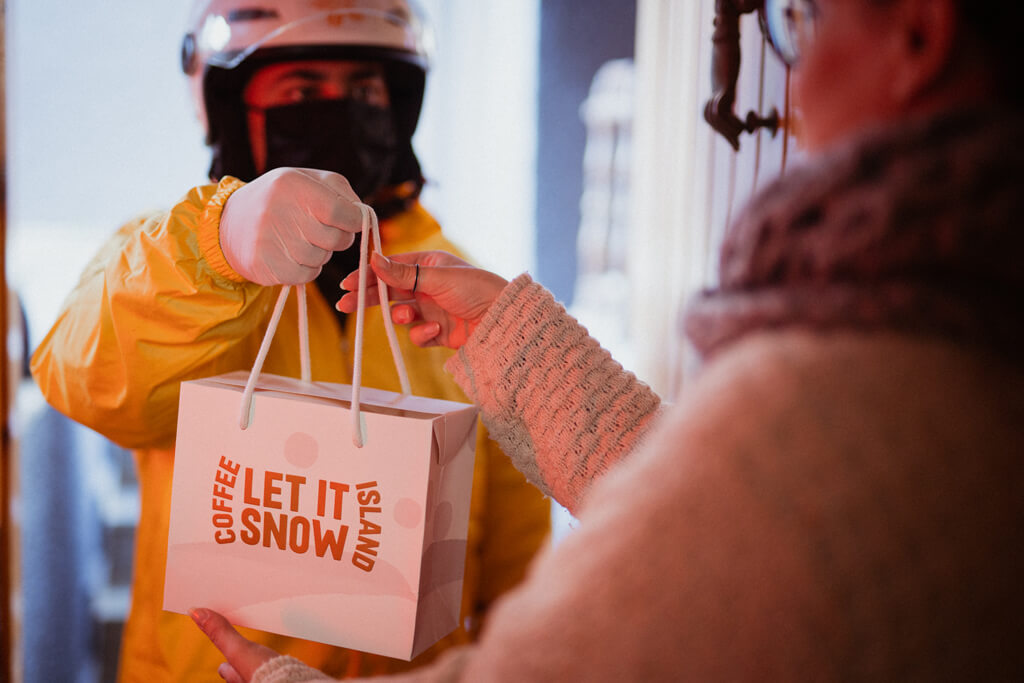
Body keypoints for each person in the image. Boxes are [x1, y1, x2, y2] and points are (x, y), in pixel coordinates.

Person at [192, 0, 1024, 680]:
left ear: (919, 33)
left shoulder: (828, 399)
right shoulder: (947, 347)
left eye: (804, 21)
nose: (794, 87)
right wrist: (216, 238)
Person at [29, 1, 550, 680]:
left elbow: (519, 550)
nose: (338, 109)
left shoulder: (455, 287)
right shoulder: (167, 260)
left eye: (364, 88)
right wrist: (219, 244)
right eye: (302, 90)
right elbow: (87, 376)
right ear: (226, 101)